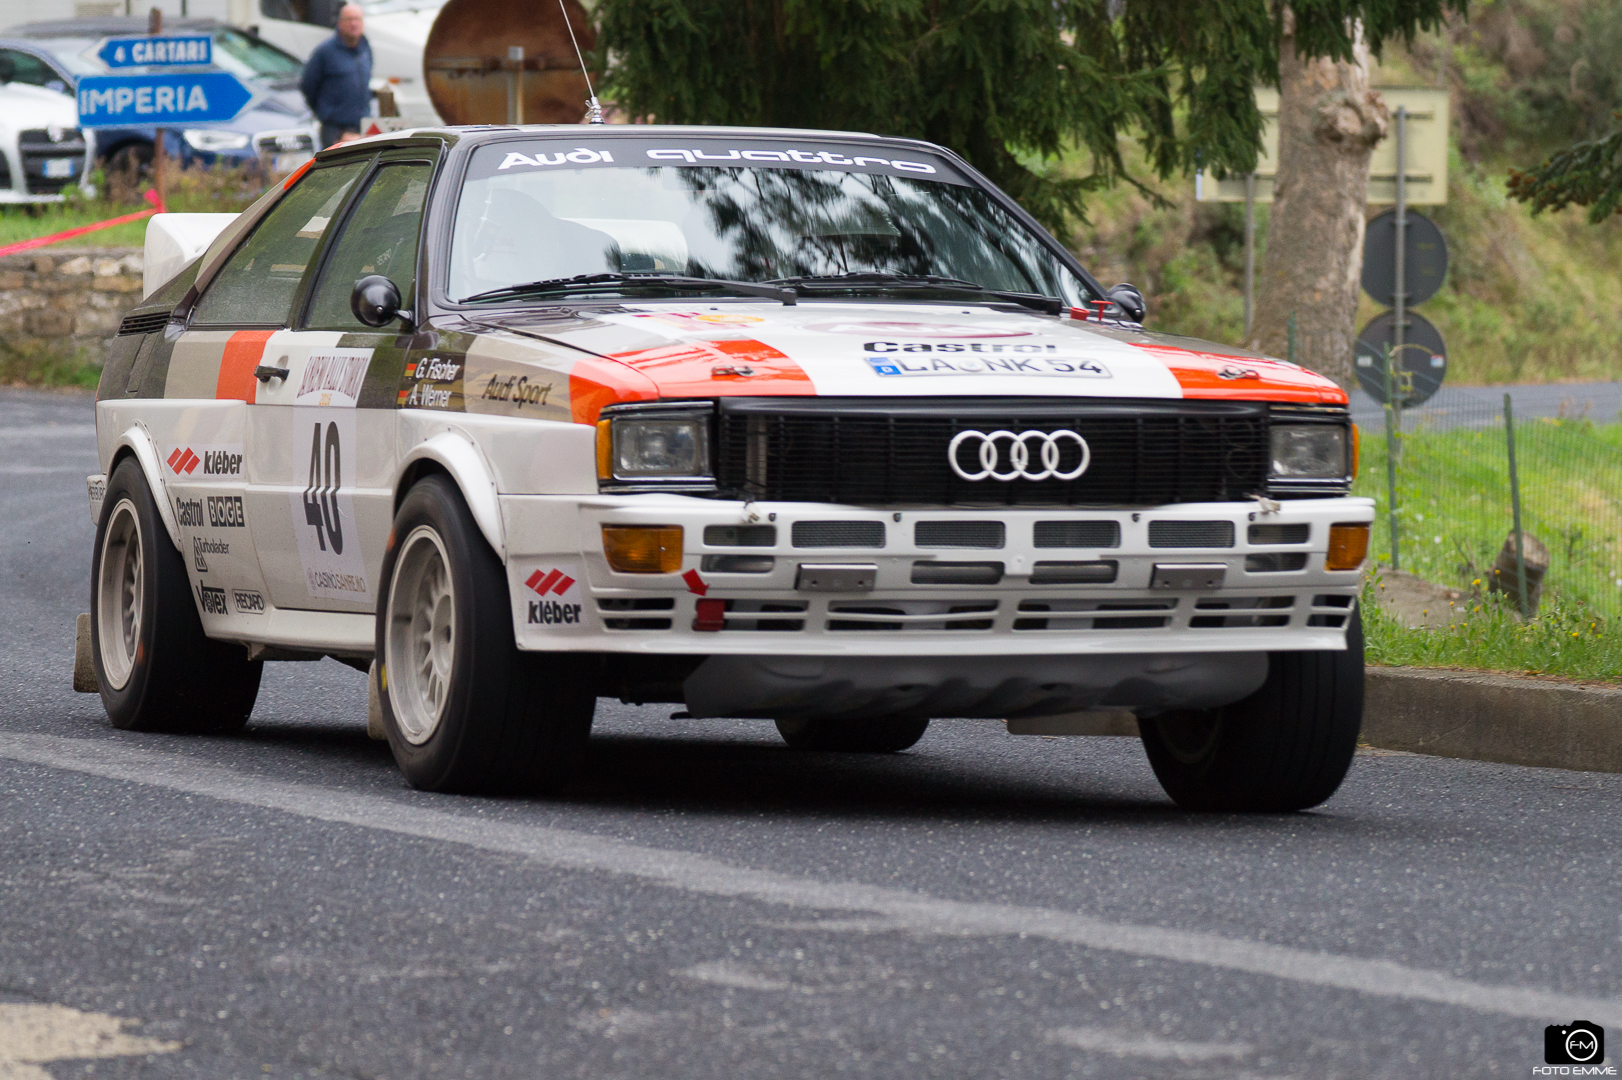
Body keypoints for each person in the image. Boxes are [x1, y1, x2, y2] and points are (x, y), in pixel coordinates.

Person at [300, 3, 373, 148]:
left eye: (357, 20)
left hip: (360, 126)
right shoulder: (325, 52)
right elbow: (308, 86)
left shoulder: (366, 49)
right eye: (349, 19)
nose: (354, 24)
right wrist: (327, 113)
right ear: (339, 24)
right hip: (334, 129)